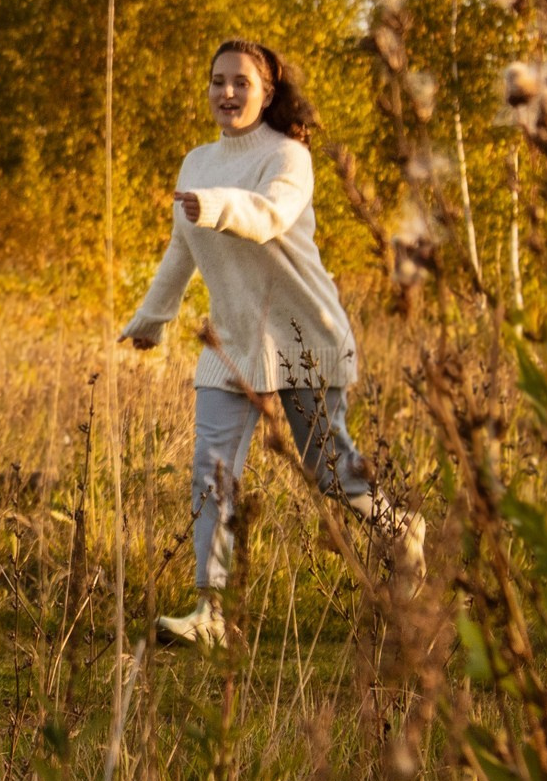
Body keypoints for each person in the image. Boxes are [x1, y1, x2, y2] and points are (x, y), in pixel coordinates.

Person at [120, 40, 423, 646]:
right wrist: (152, 317)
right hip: (232, 343)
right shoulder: (196, 161)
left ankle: (400, 530)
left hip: (304, 336)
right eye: (217, 81)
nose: (227, 92)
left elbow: (268, 217)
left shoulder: (289, 156)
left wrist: (215, 206)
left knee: (330, 472)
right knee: (211, 472)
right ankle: (210, 613)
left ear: (268, 92)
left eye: (241, 82)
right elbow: (182, 248)